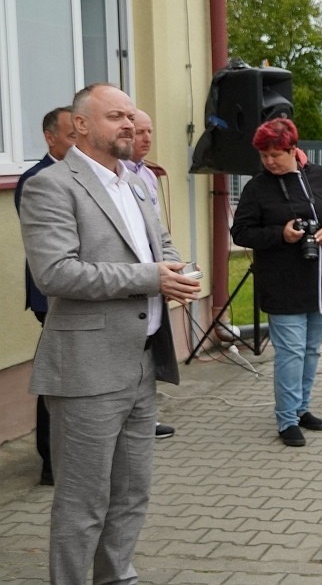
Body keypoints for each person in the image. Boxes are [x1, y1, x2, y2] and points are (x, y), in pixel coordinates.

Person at [18, 83, 201, 583]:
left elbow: (158, 248)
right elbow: (55, 273)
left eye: (131, 116)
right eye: (116, 116)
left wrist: (178, 271)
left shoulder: (136, 183)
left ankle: (116, 575)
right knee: (83, 502)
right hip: (86, 369)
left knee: (130, 492)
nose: (129, 125)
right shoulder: (50, 186)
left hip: (142, 362)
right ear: (80, 125)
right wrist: (150, 278)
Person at [230, 117, 322, 447]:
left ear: (293, 149)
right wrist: (280, 234)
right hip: (282, 284)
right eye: (264, 155)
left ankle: (302, 409)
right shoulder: (257, 188)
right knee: (291, 353)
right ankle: (286, 419)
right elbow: (240, 232)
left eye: (276, 154)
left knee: (311, 350)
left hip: (321, 282)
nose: (270, 161)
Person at [14, 106, 76, 486]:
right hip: (51, 293)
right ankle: (50, 460)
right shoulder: (37, 179)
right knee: (57, 376)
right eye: (71, 135)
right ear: (50, 137)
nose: (78, 142)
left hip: (81, 293)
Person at [124, 108, 177, 440]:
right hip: (130, 286)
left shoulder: (145, 175)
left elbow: (158, 231)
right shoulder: (110, 179)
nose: (144, 139)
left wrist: (173, 265)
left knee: (148, 353)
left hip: (155, 279)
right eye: (138, 132)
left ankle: (145, 415)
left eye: (148, 132)